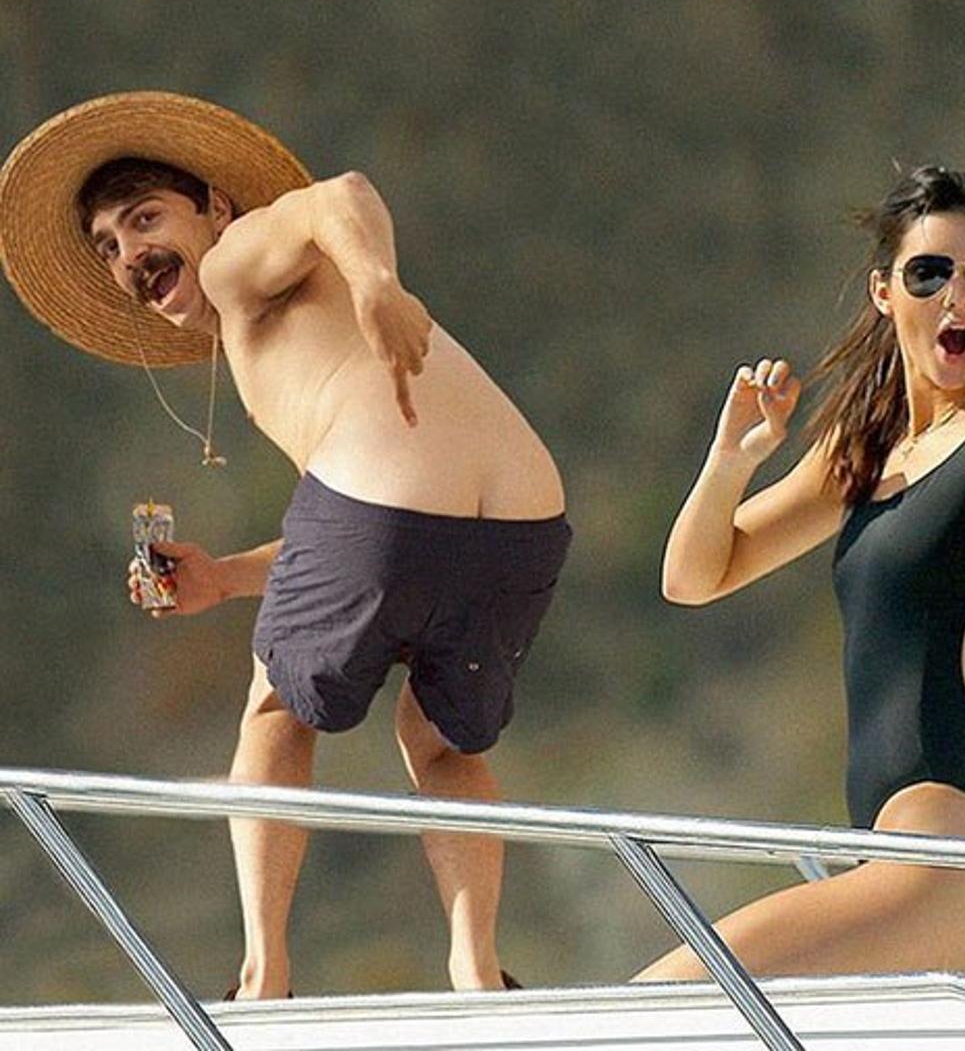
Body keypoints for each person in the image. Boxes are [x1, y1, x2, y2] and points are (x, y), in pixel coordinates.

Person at [0, 92, 571, 998]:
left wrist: (377, 283)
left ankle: (263, 974)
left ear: (216, 209)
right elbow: (378, 534)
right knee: (438, 739)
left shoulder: (236, 260)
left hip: (392, 504)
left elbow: (338, 196)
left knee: (274, 706)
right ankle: (477, 974)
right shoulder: (295, 328)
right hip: (525, 523)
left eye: (145, 220)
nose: (129, 256)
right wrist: (225, 578)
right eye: (107, 247)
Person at [639, 165, 965, 983]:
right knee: (688, 1013)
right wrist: (730, 461)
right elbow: (693, 577)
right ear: (885, 293)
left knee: (663, 997)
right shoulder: (864, 452)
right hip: (901, 859)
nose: (957, 296)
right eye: (929, 273)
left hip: (961, 853)